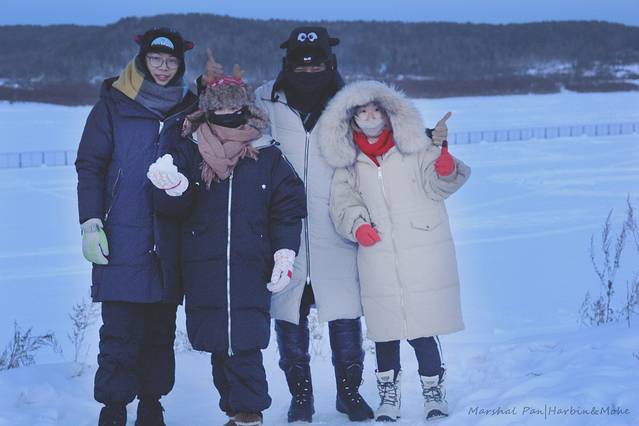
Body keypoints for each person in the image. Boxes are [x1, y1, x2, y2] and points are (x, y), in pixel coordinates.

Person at [147, 66, 307, 426]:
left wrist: (285, 252)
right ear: (208, 109)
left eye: (233, 107)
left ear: (245, 108)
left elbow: (288, 206)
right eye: (219, 108)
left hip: (251, 263)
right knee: (219, 343)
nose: (226, 114)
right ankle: (235, 410)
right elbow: (169, 210)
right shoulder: (189, 149)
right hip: (202, 265)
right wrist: (173, 189)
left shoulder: (266, 152)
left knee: (243, 341)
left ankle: (249, 413)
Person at [316, 80, 471, 422]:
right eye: (362, 111)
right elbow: (343, 203)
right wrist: (358, 225)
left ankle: (433, 393)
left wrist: (445, 166)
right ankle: (389, 396)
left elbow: (437, 184)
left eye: (376, 110)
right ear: (352, 119)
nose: (370, 116)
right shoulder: (349, 162)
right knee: (385, 330)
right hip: (377, 255)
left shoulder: (415, 147)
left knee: (423, 326)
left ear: (388, 114)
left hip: (421, 251)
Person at [251, 27, 376, 422]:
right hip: (282, 229)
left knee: (344, 312)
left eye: (316, 65)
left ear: (329, 62)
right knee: (289, 312)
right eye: (301, 65)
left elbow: (379, 138)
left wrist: (421, 141)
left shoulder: (350, 102)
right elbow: (238, 133)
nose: (308, 71)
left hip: (336, 226)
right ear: (287, 62)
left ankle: (349, 393)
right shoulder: (265, 99)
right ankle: (300, 396)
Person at [75, 28, 198, 426]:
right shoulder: (113, 105)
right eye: (156, 59)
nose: (163, 68)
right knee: (119, 333)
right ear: (143, 60)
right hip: (122, 237)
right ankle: (113, 408)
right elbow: (90, 165)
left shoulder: (191, 109)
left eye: (171, 61)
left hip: (170, 239)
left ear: (181, 65)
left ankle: (151, 404)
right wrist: (90, 221)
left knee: (160, 333)